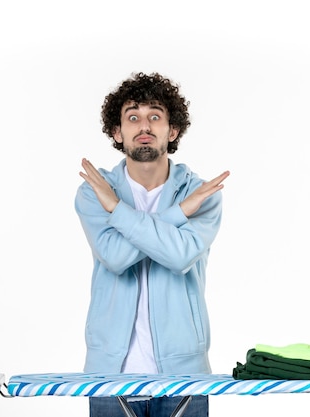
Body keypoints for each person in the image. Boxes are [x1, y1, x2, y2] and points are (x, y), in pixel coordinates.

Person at [75, 72, 230, 417]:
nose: (143, 125)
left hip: (184, 378)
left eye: (155, 116)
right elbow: (115, 258)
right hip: (109, 377)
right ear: (117, 132)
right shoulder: (95, 191)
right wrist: (177, 215)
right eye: (132, 117)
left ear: (172, 131)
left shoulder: (201, 194)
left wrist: (117, 211)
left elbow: (180, 256)